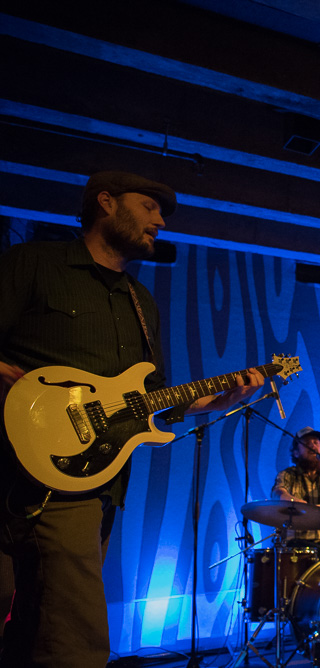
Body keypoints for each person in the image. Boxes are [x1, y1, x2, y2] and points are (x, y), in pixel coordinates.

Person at [0, 171, 264, 668]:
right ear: (106, 203)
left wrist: (225, 400)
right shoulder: (33, 263)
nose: (160, 221)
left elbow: (154, 400)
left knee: (66, 630)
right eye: (149, 207)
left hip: (87, 484)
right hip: (11, 459)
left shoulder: (141, 303)